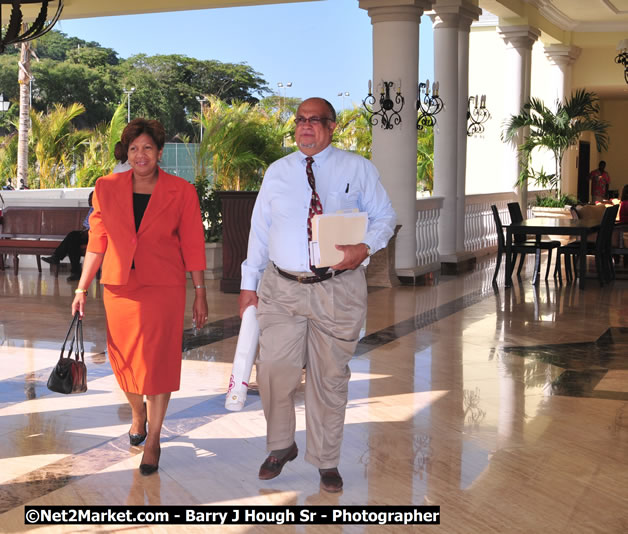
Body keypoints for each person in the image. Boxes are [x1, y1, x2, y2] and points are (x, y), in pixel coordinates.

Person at [238, 97, 396, 493]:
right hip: (281, 287)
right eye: (300, 120)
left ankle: (327, 460)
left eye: (315, 121)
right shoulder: (277, 172)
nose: (306, 127)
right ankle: (280, 446)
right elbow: (260, 231)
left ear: (332, 126)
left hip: (337, 291)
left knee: (329, 378)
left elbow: (385, 217)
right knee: (274, 370)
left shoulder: (357, 169)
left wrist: (365, 248)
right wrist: (247, 284)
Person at [71, 118, 208, 476]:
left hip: (164, 286)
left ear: (159, 152)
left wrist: (200, 292)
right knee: (123, 358)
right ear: (126, 153)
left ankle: (154, 439)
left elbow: (193, 243)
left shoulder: (182, 191)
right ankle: (137, 412)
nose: (140, 154)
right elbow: (96, 243)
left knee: (159, 360)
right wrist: (82, 287)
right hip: (119, 287)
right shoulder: (106, 187)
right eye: (133, 148)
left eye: (147, 147)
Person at [43, 147, 131, 281]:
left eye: (118, 149)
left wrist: (88, 231)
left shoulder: (129, 167)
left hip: (105, 230)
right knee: (73, 241)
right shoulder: (118, 167)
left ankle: (61, 260)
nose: (115, 152)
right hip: (90, 231)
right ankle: (72, 270)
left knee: (73, 237)